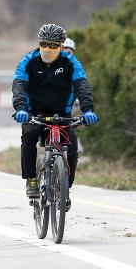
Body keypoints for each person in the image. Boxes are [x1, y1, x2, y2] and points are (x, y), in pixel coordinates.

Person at [12, 24, 98, 209]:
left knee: (73, 148)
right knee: (28, 137)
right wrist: (20, 109)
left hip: (62, 114)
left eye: (53, 45)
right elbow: (19, 85)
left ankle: (64, 190)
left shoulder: (70, 62)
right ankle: (32, 179)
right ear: (39, 44)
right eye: (44, 44)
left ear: (61, 45)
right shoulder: (28, 60)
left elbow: (82, 85)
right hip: (33, 113)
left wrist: (88, 110)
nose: (48, 49)